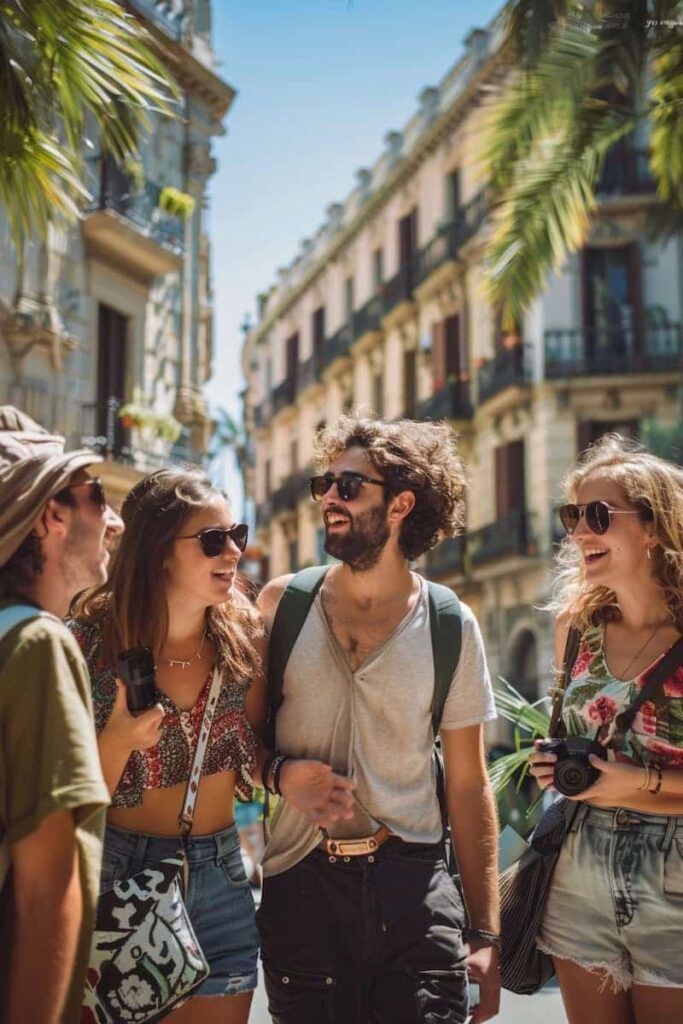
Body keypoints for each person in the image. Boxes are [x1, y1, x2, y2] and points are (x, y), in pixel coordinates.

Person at [68, 466, 354, 1024]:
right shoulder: (89, 641)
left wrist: (282, 777)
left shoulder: (243, 634)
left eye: (237, 536)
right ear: (158, 551)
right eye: (212, 540)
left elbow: (248, 747)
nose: (233, 553)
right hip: (114, 872)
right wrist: (119, 739)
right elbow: (74, 800)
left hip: (219, 876)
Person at [257, 414, 501, 1024]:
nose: (329, 499)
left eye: (349, 486)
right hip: (300, 886)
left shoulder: (450, 623)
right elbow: (240, 742)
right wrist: (280, 775)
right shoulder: (281, 606)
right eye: (326, 484)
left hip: (415, 890)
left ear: (402, 504)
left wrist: (486, 934)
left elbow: (470, 786)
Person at [529, 434, 683, 1024]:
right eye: (573, 517)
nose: (579, 534)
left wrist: (635, 783)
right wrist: (554, 764)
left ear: (653, 526)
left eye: (598, 516)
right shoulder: (575, 626)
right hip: (578, 870)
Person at [0, 406, 123, 1024]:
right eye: (97, 497)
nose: (115, 519)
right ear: (51, 515)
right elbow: (49, 890)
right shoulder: (37, 644)